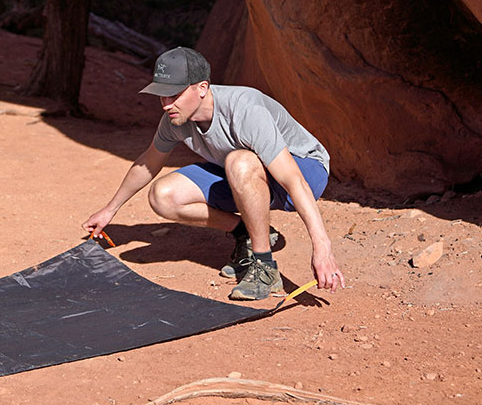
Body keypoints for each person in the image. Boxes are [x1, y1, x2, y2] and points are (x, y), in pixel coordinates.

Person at [83, 46, 345, 300]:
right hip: (245, 174)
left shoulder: (244, 108)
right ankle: (244, 232)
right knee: (164, 195)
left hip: (304, 170)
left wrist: (322, 249)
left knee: (238, 160)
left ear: (202, 88)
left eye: (174, 95)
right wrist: (110, 210)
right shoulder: (174, 121)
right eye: (162, 95)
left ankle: (264, 266)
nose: (166, 104)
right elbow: (148, 163)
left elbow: (293, 179)